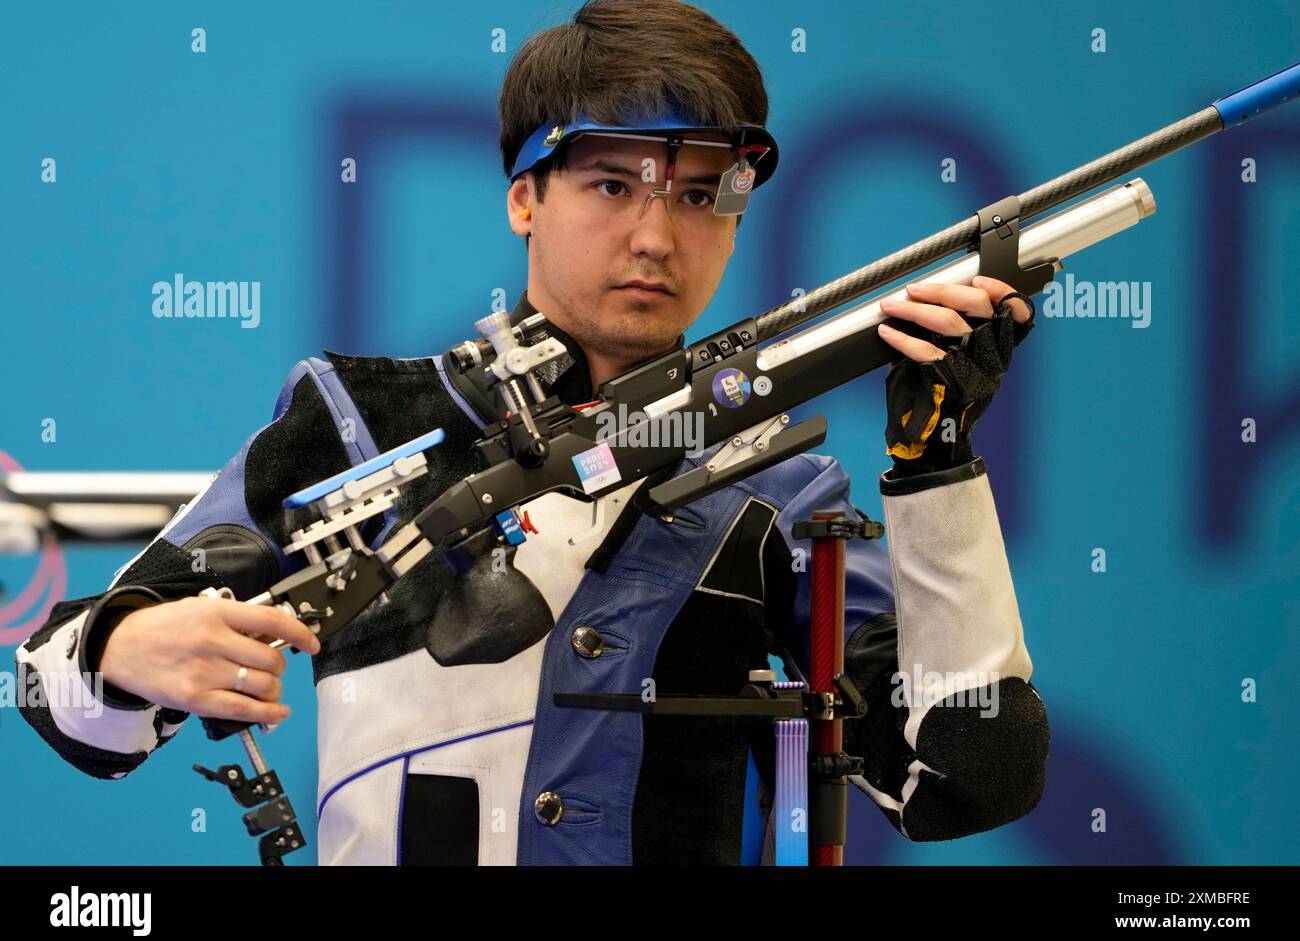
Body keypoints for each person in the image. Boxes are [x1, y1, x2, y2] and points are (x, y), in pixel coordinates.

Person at [15, 0, 1048, 865]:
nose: (655, 235)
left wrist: (936, 466)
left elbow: (965, 777)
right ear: (524, 197)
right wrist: (127, 644)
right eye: (611, 185)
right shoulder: (357, 417)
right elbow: (49, 687)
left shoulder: (781, 487)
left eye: (699, 195)